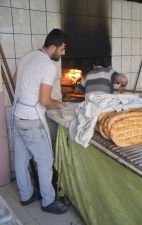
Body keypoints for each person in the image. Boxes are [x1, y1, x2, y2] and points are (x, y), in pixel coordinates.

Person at [12, 29, 69, 214]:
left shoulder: (28, 56)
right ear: (53, 47)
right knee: (45, 161)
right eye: (62, 49)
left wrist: (28, 93)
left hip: (16, 116)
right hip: (31, 120)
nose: (63, 53)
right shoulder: (48, 66)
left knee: (21, 159)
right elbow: (45, 101)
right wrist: (58, 103)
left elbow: (15, 81)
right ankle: (48, 201)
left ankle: (26, 195)